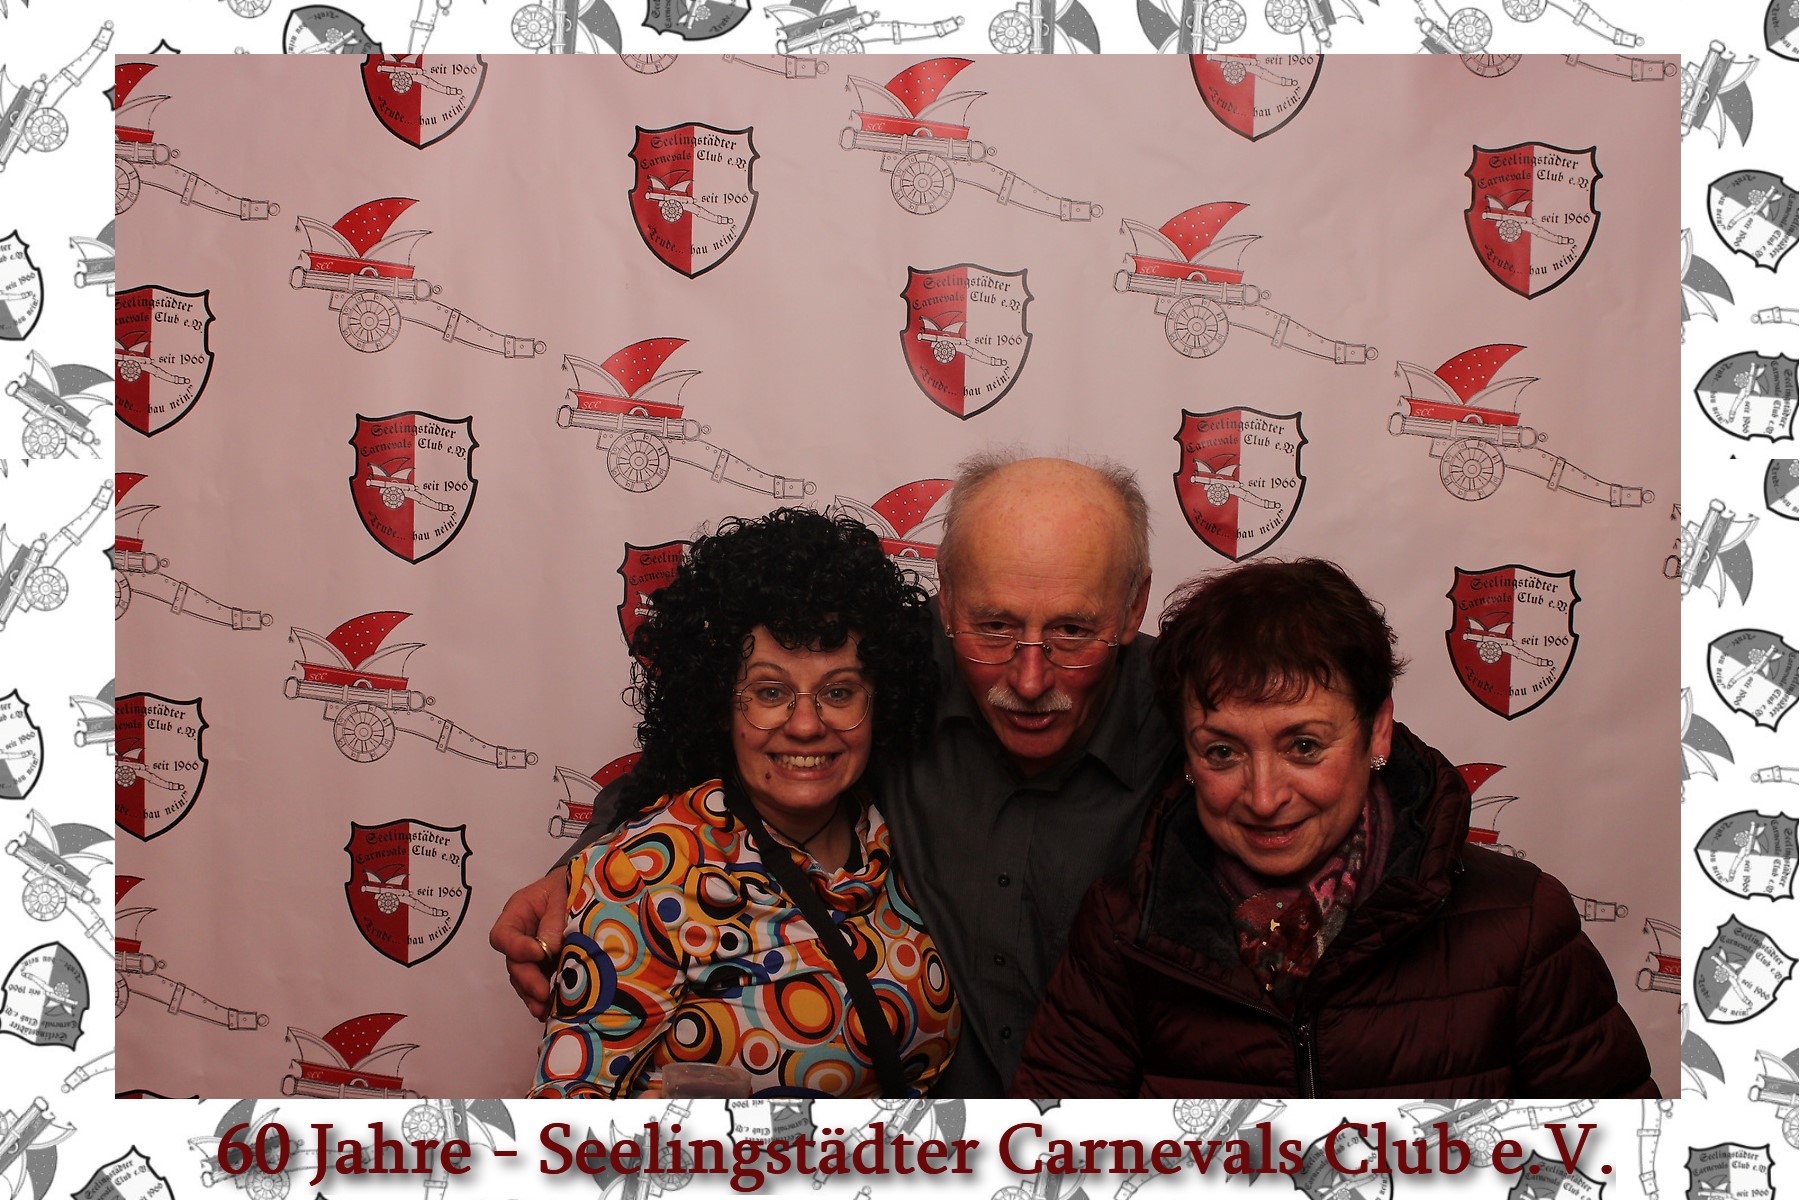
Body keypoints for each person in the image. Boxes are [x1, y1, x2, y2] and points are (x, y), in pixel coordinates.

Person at [494, 455, 1177, 1095]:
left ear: (1132, 606)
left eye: (1073, 632)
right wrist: (580, 874)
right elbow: (696, 750)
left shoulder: (1187, 712)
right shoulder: (892, 664)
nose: (1028, 679)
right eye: (994, 626)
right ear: (947, 599)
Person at [1011, 558, 1658, 1098]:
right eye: (1223, 752)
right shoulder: (1121, 931)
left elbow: (1617, 1164)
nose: (1264, 798)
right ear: (1187, 754)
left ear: (1377, 731)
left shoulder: (1521, 924)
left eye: (1304, 746)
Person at [529, 508, 956, 1097]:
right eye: (770, 692)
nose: (805, 725)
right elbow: (565, 1125)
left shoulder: (890, 837)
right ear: (719, 703)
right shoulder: (643, 877)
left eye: (839, 691)